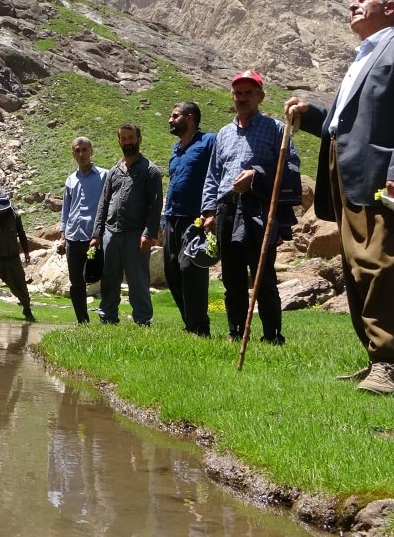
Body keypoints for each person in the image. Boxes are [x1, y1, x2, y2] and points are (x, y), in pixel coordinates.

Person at [285, 0, 394, 395]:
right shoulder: (364, 56)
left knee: (385, 264)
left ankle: (393, 365)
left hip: (385, 175)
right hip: (349, 175)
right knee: (357, 268)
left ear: (389, 7)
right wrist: (313, 115)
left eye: (361, 0)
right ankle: (377, 360)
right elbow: (347, 125)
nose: (351, 5)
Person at [201, 70, 300, 345]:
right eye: (238, 93)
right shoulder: (223, 133)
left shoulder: (276, 129)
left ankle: (272, 335)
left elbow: (290, 169)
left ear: (260, 97)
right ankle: (235, 331)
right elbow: (213, 175)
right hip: (227, 209)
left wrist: (256, 175)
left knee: (262, 274)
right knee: (231, 277)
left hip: (258, 209)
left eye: (248, 93)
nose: (242, 98)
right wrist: (209, 211)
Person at [89, 124, 163, 326]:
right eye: (124, 138)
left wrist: (148, 233)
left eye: (131, 137)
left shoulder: (150, 170)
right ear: (119, 140)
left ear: (139, 139)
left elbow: (156, 204)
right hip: (111, 234)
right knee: (109, 279)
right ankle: (107, 318)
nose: (127, 141)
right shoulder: (113, 171)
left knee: (138, 280)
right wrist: (97, 235)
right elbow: (103, 203)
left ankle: (142, 321)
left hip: (136, 234)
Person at [162, 102, 216, 336]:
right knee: (172, 270)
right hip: (172, 218)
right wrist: (163, 220)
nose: (170, 120)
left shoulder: (208, 142)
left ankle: (200, 326)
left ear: (190, 118)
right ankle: (189, 323)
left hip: (195, 218)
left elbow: (218, 172)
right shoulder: (176, 150)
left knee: (190, 269)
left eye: (175, 116)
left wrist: (211, 210)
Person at [57, 137, 107, 324]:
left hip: (94, 237)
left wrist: (101, 233)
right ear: (73, 154)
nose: (81, 154)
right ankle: (82, 321)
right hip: (73, 237)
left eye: (85, 150)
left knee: (101, 278)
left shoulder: (104, 176)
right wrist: (63, 237)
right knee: (76, 282)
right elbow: (66, 211)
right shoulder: (70, 180)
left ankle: (107, 317)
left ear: (91, 151)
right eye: (77, 151)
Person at [0, 195, 34, 322]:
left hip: (12, 257)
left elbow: (21, 234)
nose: (1, 211)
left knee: (20, 283)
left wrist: (26, 252)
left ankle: (27, 309)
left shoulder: (16, 217)